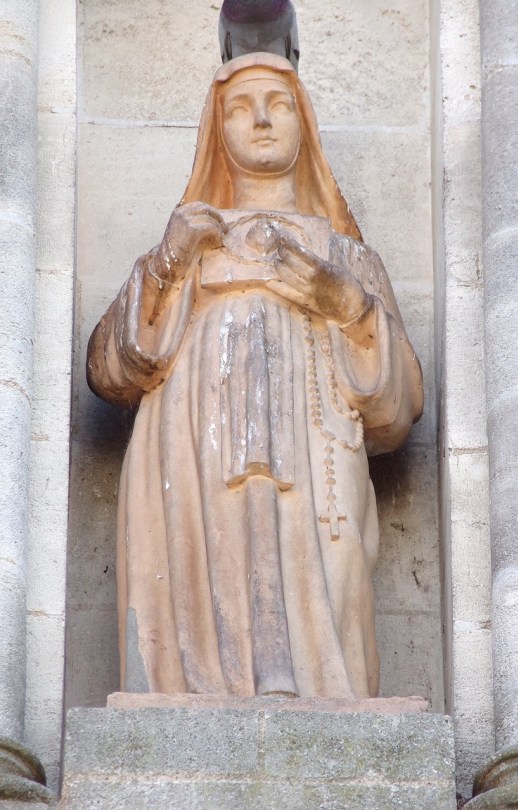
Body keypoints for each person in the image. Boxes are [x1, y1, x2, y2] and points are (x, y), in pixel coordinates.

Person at [87, 52, 423, 700]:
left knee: (325, 575)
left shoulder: (348, 256)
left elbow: (397, 409)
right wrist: (168, 265)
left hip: (314, 445)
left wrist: (347, 306)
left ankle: (325, 700)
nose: (263, 119)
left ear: (306, 123)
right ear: (218, 129)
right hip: (193, 444)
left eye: (280, 103)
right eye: (240, 108)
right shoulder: (183, 243)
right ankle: (191, 692)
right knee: (201, 565)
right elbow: (110, 372)